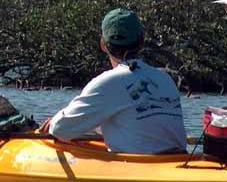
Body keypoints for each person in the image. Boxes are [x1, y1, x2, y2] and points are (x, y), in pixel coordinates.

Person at [40, 8, 188, 154]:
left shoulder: (107, 82)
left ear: (103, 45)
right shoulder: (164, 78)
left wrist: (53, 122)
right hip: (178, 157)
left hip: (143, 164)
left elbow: (60, 130)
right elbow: (135, 121)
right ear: (141, 42)